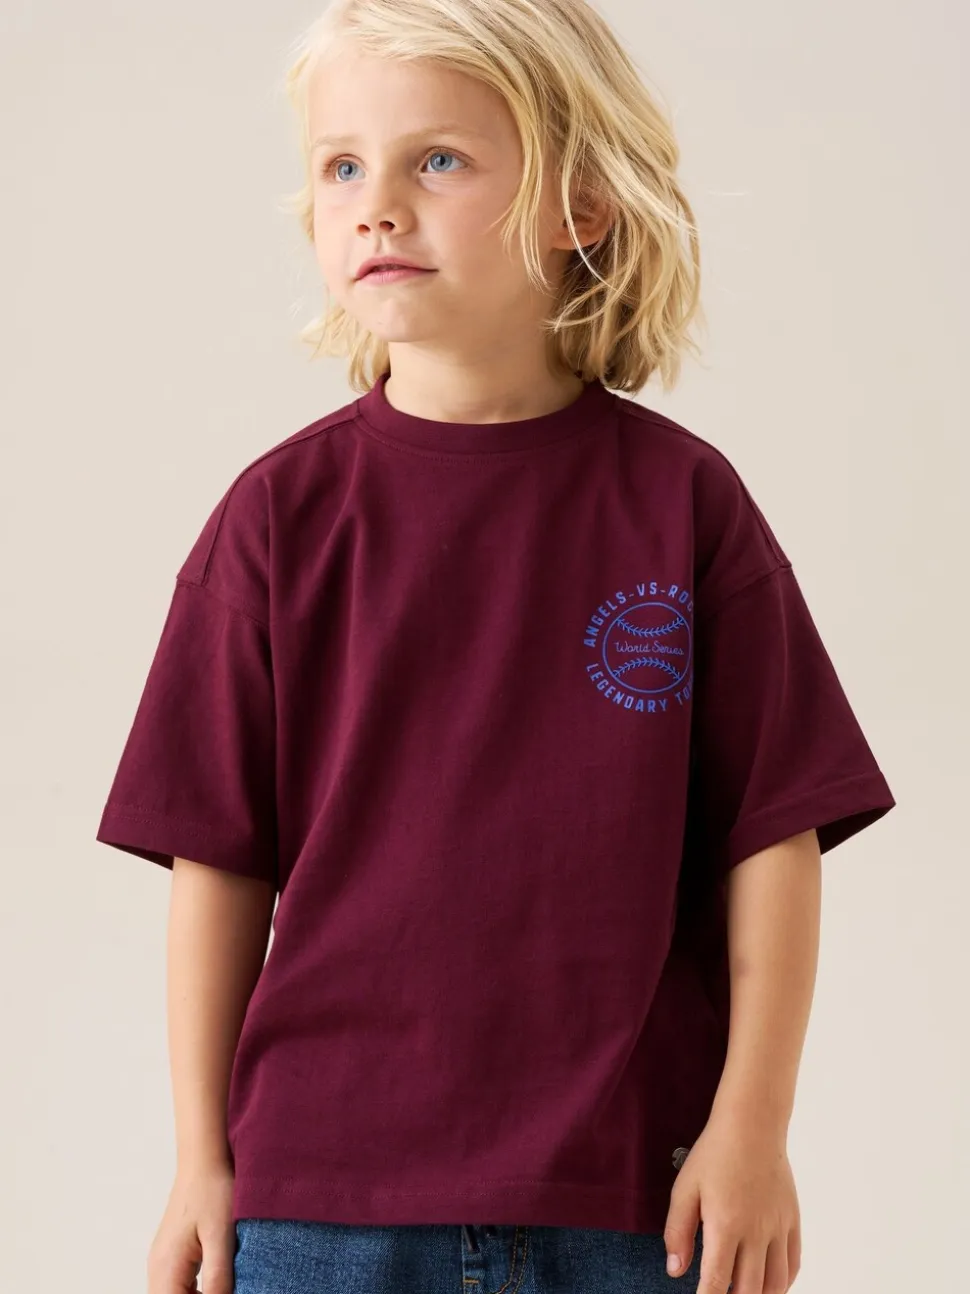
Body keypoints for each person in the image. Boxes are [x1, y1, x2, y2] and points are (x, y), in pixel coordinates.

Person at [95, 1, 896, 1291]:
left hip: (634, 1202)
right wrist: (202, 1159)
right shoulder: (278, 518)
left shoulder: (685, 505)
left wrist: (754, 1129)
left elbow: (774, 834)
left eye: (439, 160)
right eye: (341, 166)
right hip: (323, 1209)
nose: (376, 207)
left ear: (580, 205)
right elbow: (219, 860)